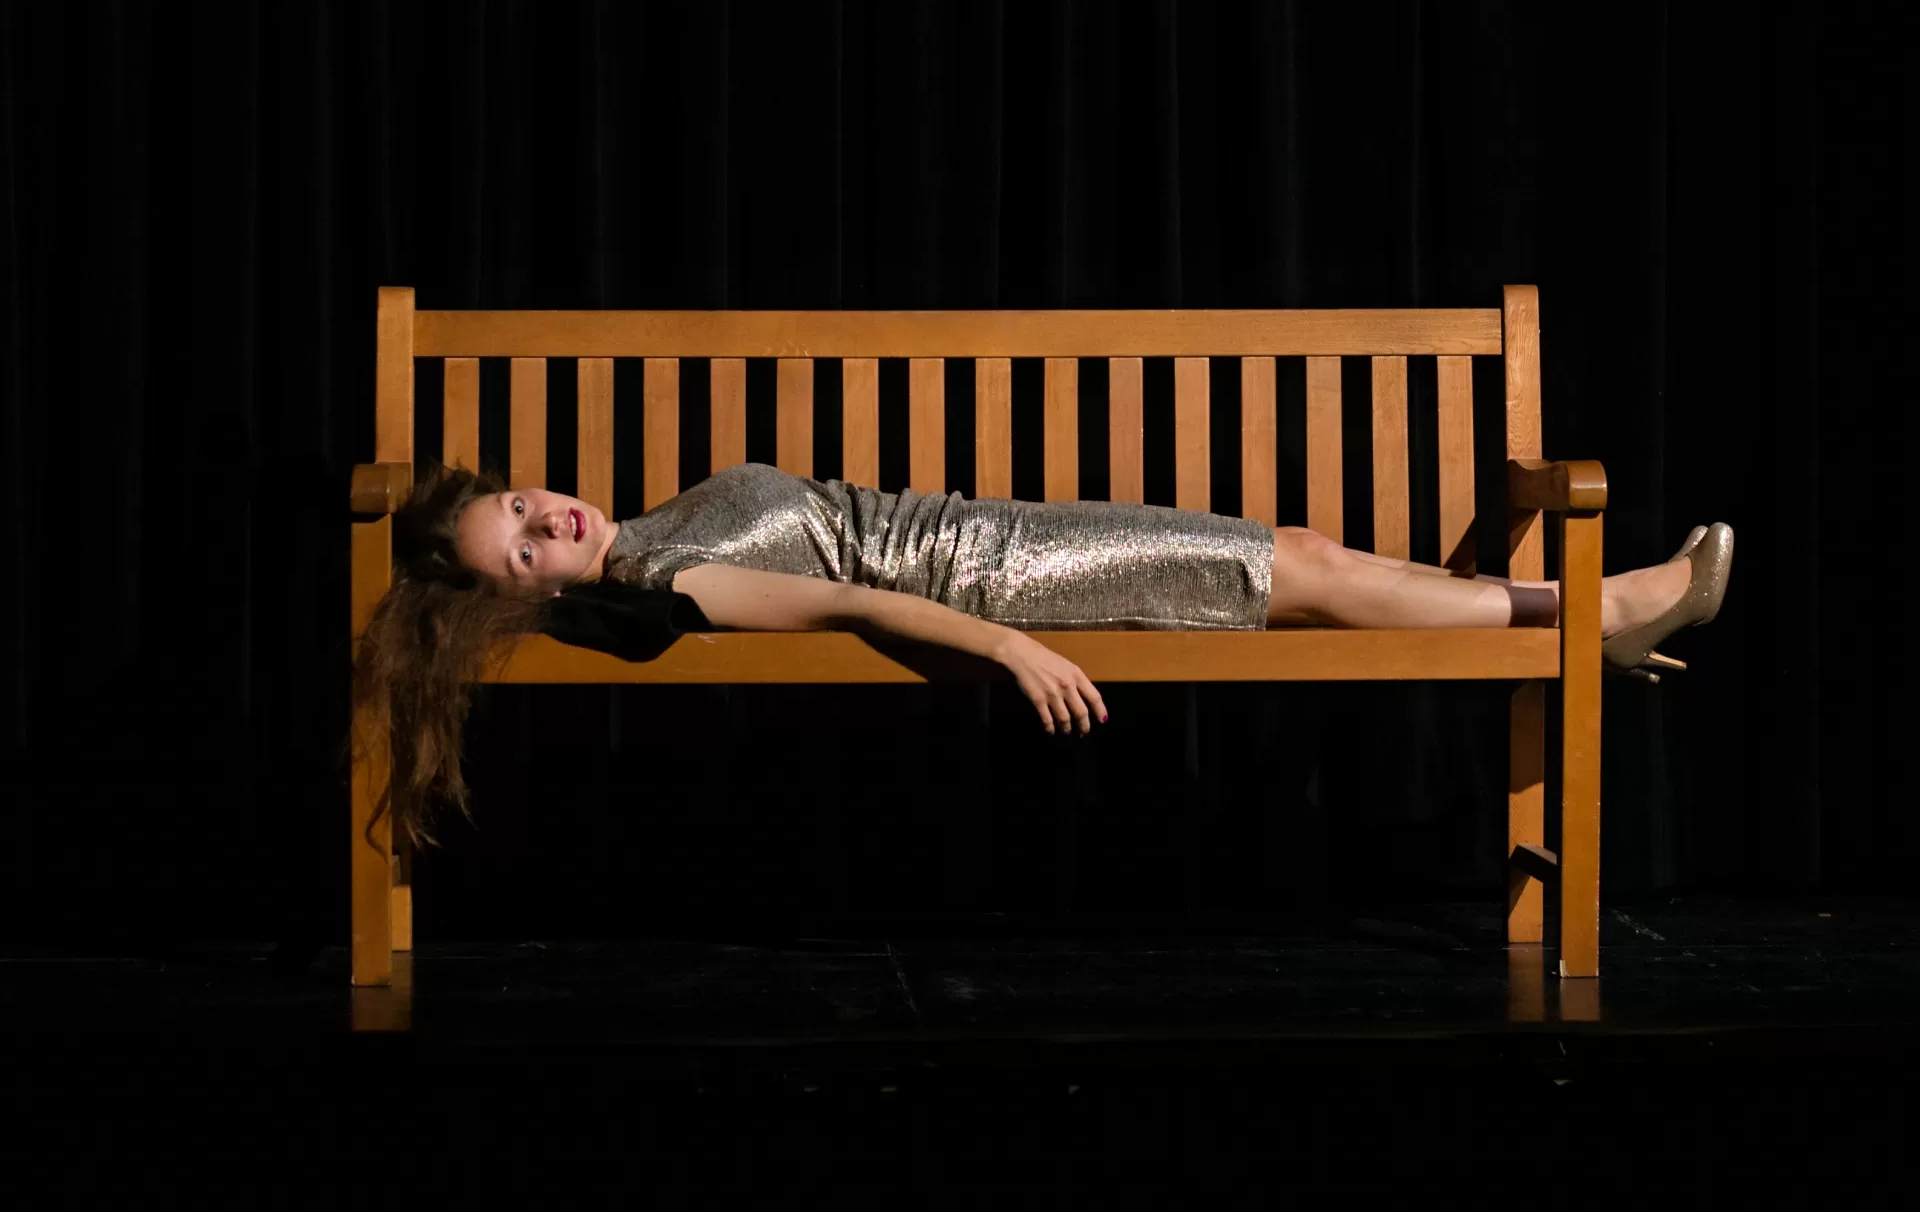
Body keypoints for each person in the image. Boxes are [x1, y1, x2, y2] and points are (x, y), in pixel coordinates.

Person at [351, 458, 1732, 854]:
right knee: (1301, 572)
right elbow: (854, 606)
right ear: (522, 596)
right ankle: (1605, 610)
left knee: (1304, 560)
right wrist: (1010, 641)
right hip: (1000, 573)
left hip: (996, 534)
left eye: (520, 506)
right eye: (518, 553)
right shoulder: (666, 578)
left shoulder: (655, 527)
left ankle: (1591, 618)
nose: (543, 524)